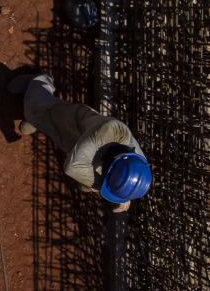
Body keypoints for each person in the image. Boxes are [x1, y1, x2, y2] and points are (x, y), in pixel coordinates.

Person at [10, 73, 152, 213]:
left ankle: (39, 120)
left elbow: (130, 178)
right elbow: (72, 167)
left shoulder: (138, 166)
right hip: (76, 123)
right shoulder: (113, 130)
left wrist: (122, 195)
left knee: (60, 138)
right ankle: (40, 81)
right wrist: (101, 186)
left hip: (87, 149)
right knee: (40, 111)